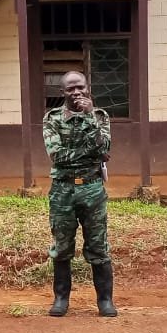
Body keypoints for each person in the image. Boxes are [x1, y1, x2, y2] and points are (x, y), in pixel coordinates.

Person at [43, 71, 117, 317]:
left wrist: (89, 118)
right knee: (62, 245)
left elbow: (105, 147)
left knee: (98, 245)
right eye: (70, 89)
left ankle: (105, 301)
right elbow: (57, 156)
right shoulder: (52, 118)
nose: (76, 92)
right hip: (62, 189)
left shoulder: (100, 116)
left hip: (92, 188)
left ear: (87, 88)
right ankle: (61, 299)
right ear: (62, 92)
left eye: (80, 87)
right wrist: (93, 152)